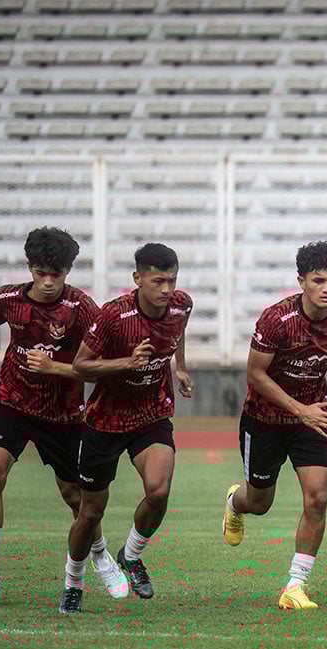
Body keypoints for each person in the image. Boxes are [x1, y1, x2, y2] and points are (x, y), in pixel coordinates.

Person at [0, 227, 126, 601]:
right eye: (40, 272)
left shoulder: (80, 308)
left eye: (55, 274)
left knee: (77, 498)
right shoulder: (8, 299)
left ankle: (100, 554)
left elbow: (99, 360)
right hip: (13, 403)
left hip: (63, 415)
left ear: (68, 272)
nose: (47, 282)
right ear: (30, 267)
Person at [221, 240, 327, 610]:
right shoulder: (276, 319)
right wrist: (300, 410)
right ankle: (236, 503)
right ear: (301, 281)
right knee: (260, 502)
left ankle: (295, 585)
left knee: (318, 496)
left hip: (313, 418)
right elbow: (255, 374)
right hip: (265, 419)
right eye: (319, 280)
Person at [60, 243, 194, 613]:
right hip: (106, 420)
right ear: (138, 279)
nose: (166, 289)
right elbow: (81, 367)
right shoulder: (113, 317)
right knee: (90, 512)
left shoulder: (182, 304)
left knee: (159, 491)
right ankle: (74, 581)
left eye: (171, 280)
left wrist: (178, 367)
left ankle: (131, 555)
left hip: (151, 415)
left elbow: (178, 332)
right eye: (158, 281)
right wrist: (125, 363)